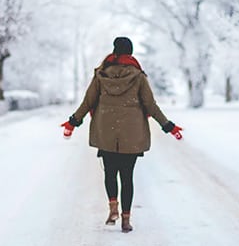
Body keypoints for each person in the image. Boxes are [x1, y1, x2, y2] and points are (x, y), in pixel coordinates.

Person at [61, 37, 183, 233]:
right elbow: (150, 105)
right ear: (131, 53)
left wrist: (73, 121)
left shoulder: (101, 74)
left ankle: (113, 208)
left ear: (115, 51)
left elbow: (88, 101)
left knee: (110, 173)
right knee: (127, 177)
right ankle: (126, 220)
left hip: (105, 131)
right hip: (131, 134)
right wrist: (169, 126)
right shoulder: (138, 77)